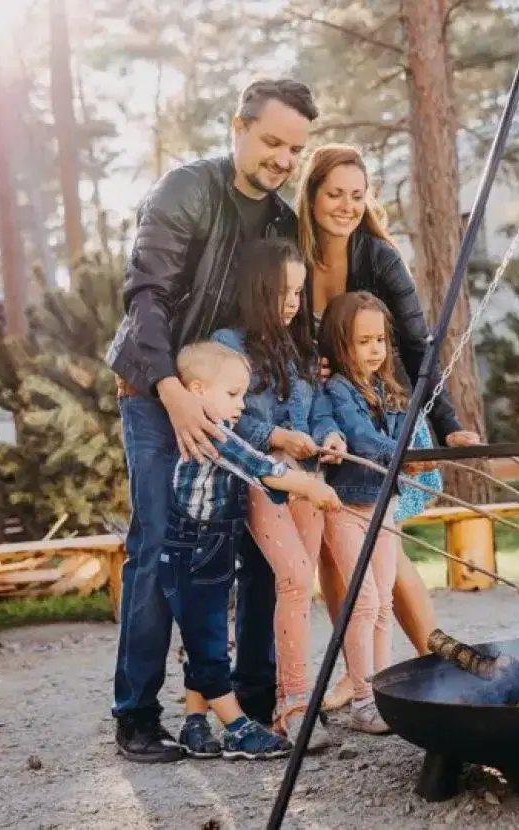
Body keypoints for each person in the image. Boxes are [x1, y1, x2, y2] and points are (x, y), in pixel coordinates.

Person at [107, 77, 318, 762]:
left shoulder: (283, 220)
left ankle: (246, 705)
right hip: (156, 389)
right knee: (158, 545)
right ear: (239, 126)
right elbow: (145, 294)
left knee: (251, 545)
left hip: (233, 401)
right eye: (272, 140)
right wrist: (170, 389)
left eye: (295, 148)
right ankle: (137, 716)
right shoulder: (187, 190)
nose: (283, 158)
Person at [293, 143, 481, 710]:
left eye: (357, 194)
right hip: (322, 419)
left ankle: (434, 660)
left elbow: (421, 345)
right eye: (334, 194)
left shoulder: (378, 257)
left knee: (383, 546)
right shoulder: (291, 257)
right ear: (311, 195)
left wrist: (448, 424)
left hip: (382, 414)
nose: (346, 206)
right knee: (337, 551)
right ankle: (361, 671)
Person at [160, 341, 340, 760]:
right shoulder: (213, 434)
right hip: (194, 549)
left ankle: (194, 722)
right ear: (200, 391)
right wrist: (311, 486)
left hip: (211, 546)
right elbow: (263, 468)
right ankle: (238, 728)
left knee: (203, 635)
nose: (241, 405)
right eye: (233, 394)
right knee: (208, 641)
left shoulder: (214, 425)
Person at [211, 237, 344, 750]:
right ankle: (292, 705)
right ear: (258, 289)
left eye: (298, 291)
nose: (292, 302)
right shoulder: (229, 343)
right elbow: (227, 420)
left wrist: (331, 436)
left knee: (300, 585)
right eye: (283, 291)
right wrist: (276, 439)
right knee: (291, 578)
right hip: (260, 482)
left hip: (309, 479)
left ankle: (296, 698)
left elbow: (319, 409)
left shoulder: (302, 346)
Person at [318, 291, 437, 733]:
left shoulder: (384, 388)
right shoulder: (338, 391)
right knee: (364, 600)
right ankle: (364, 697)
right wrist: (408, 455)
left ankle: (383, 693)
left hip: (381, 504)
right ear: (339, 343)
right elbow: (361, 439)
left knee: (384, 599)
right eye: (362, 341)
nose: (374, 350)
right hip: (348, 506)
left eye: (379, 340)